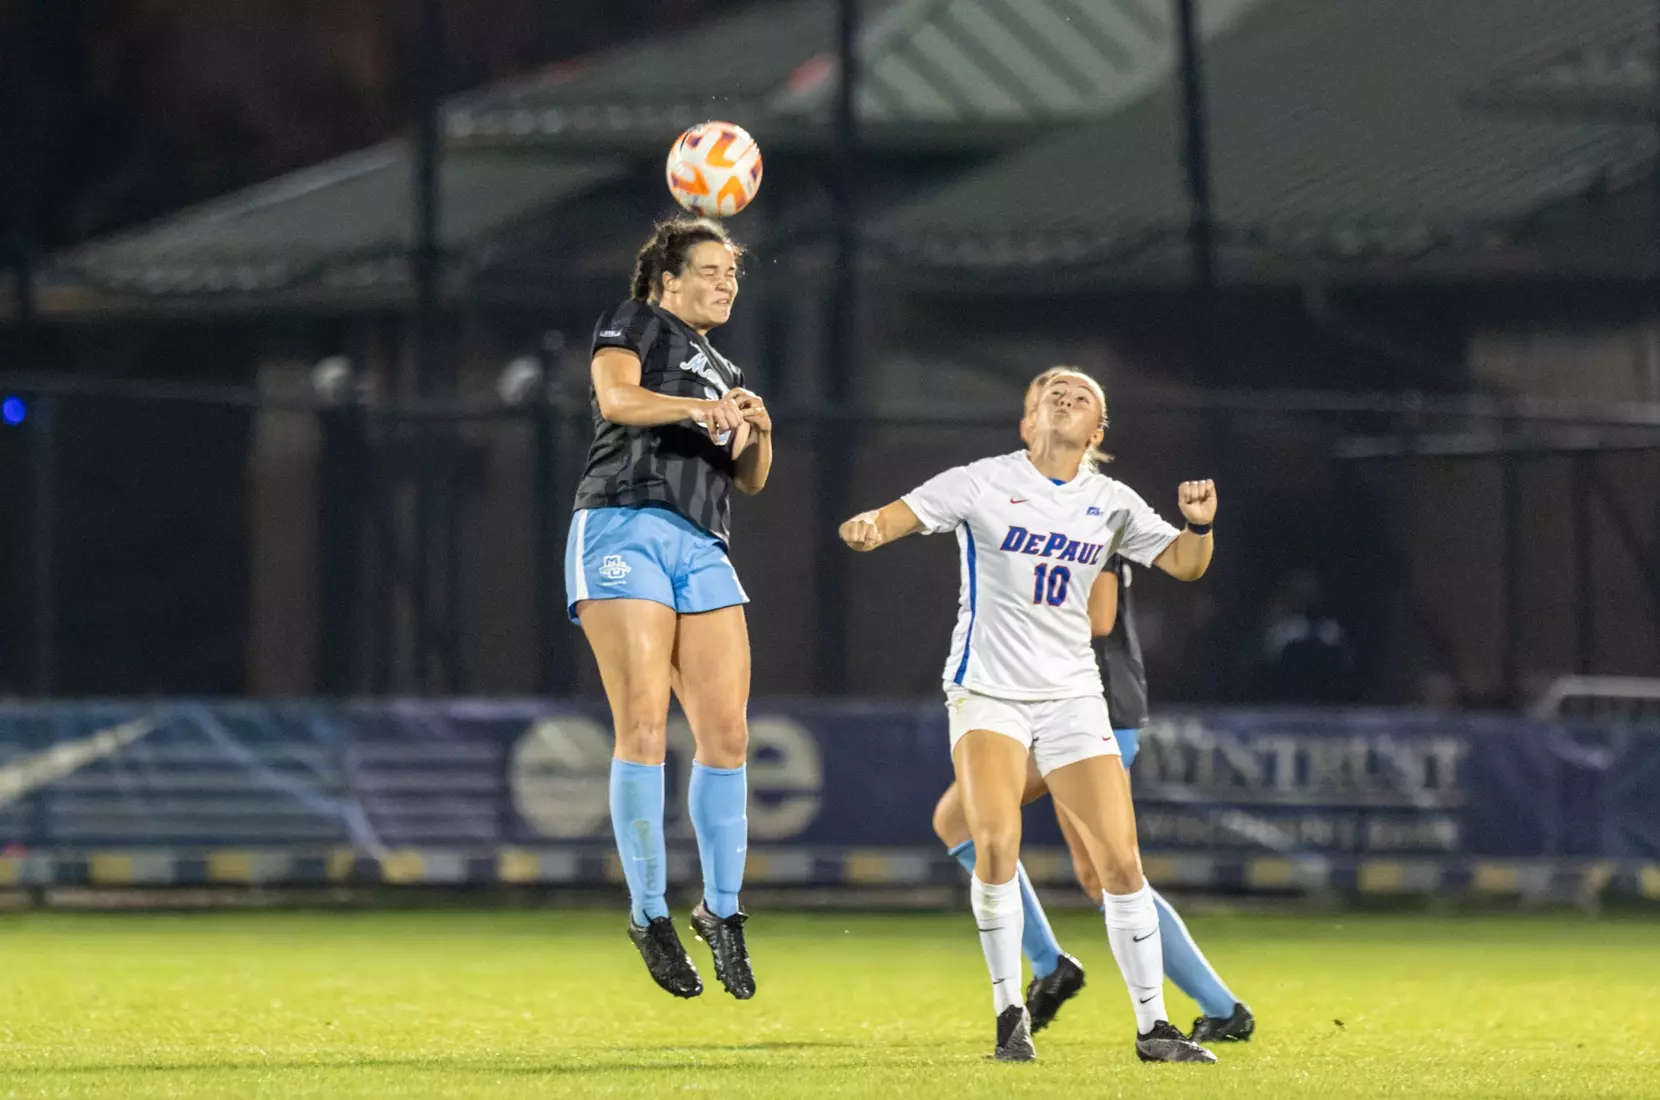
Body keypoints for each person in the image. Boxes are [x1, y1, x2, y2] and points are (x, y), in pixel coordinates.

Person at [839, 366, 1218, 1064]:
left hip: (1073, 695)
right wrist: (871, 526)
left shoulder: (1111, 500)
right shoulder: (983, 479)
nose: (1065, 400)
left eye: (1081, 399)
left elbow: (1186, 565)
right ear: (1026, 423)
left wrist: (1199, 525)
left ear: (1096, 432)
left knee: (1121, 864)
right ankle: (1009, 1015)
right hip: (988, 693)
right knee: (994, 845)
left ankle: (1154, 1028)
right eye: (1052, 395)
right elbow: (902, 513)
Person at [565, 216, 772, 1001]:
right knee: (645, 723)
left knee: (727, 731)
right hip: (623, 521)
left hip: (701, 543)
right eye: (712, 269)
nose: (727, 282)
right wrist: (697, 412)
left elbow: (749, 479)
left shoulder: (724, 365)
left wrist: (756, 426)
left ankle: (722, 913)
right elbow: (617, 399)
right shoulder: (633, 321)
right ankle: (648, 912)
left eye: (733, 273)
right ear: (666, 278)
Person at [931, 551, 1256, 1042]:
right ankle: (1059, 968)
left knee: (1110, 873)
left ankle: (1217, 1009)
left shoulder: (1087, 517)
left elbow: (1098, 618)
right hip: (1062, 707)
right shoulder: (1038, 516)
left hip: (1088, 709)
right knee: (1081, 867)